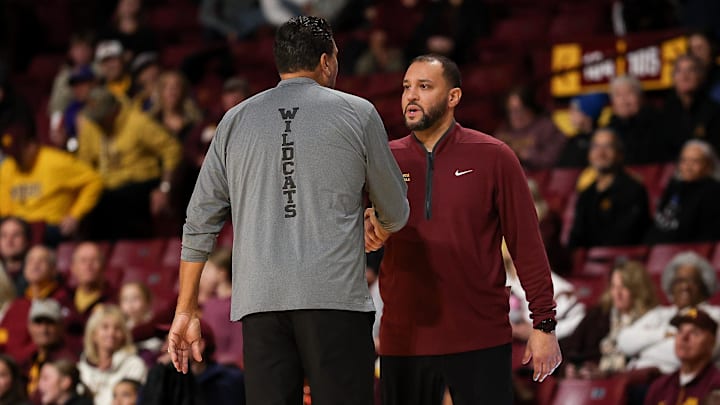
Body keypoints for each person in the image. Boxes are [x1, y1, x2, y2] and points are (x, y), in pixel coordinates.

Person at [167, 16, 409, 405]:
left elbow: (198, 222)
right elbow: (396, 210)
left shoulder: (234, 120)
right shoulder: (358, 112)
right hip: (334, 301)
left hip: (259, 304)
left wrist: (186, 309)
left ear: (280, 64)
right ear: (328, 61)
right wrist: (377, 223)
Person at [366, 54, 560, 405]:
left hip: (480, 337)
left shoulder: (494, 156)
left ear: (453, 97)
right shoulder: (384, 160)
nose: (411, 96)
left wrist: (544, 324)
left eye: (424, 87)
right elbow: (357, 231)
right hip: (404, 338)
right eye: (407, 87)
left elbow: (527, 244)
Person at [76, 87, 182, 240]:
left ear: (114, 110)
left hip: (140, 183)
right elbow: (84, 164)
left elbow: (172, 149)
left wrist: (165, 188)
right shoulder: (91, 126)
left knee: (110, 205)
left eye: (101, 116)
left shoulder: (138, 122)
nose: (97, 121)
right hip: (106, 187)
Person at [0, 113, 103, 246]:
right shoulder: (8, 167)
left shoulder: (56, 162)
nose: (15, 160)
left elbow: (94, 180)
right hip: (19, 229)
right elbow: (4, 206)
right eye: (12, 156)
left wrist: (75, 215)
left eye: (19, 155)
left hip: (50, 228)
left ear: (32, 145)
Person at [618, 251, 720, 374]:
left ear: (705, 286)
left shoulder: (714, 315)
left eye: (692, 281)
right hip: (633, 377)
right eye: (679, 281)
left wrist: (641, 349)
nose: (685, 286)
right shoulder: (660, 313)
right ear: (671, 286)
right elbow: (624, 342)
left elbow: (684, 356)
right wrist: (663, 335)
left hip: (672, 382)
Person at [562, 260, 658, 378]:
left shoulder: (651, 319)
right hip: (585, 379)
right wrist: (569, 368)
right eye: (614, 287)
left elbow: (644, 366)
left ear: (637, 290)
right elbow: (571, 347)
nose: (617, 293)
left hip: (623, 383)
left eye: (624, 287)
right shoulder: (598, 315)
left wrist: (605, 375)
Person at [567, 128, 650, 249]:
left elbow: (627, 235)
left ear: (620, 154)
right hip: (589, 262)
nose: (600, 153)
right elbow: (577, 235)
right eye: (595, 147)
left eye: (608, 147)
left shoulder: (633, 189)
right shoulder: (586, 194)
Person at [645, 139, 720, 244]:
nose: (688, 167)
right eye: (684, 160)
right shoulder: (675, 185)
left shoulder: (714, 192)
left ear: (708, 165)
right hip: (657, 248)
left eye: (695, 161)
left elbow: (706, 236)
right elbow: (659, 222)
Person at [644, 308, 720, 405]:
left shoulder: (716, 385)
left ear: (711, 342)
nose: (684, 338)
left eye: (695, 333)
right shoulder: (660, 386)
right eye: (680, 331)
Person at [78, 304, 147, 405]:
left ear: (124, 335)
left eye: (117, 328)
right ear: (93, 335)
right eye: (105, 327)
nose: (111, 333)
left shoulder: (134, 365)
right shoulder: (81, 370)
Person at [494, 85, 567, 170]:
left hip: (539, 178)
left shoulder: (547, 128)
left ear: (531, 108)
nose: (515, 116)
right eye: (510, 111)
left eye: (519, 110)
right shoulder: (504, 130)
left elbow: (554, 159)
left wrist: (526, 154)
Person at [605, 75, 671, 164]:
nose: (624, 101)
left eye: (629, 94)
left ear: (641, 97)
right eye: (618, 95)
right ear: (612, 102)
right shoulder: (608, 130)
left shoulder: (659, 124)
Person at [22, 299, 78, 400]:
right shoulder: (28, 359)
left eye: (50, 323)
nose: (44, 330)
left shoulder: (67, 361)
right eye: (38, 323)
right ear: (29, 326)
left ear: (61, 326)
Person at [0, 216, 31, 292]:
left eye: (16, 235)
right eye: (4, 235)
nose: (9, 240)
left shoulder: (37, 271)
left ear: (26, 240)